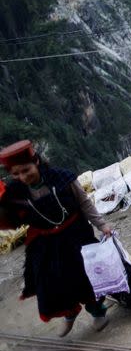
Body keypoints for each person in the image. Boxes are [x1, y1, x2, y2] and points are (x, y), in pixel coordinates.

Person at [0, 140, 113, 337]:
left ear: (37, 162)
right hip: (45, 243)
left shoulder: (63, 178)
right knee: (53, 283)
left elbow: (84, 203)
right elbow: (10, 219)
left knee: (85, 278)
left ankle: (97, 312)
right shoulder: (15, 193)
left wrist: (102, 225)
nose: (23, 177)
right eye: (16, 174)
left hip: (75, 235)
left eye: (26, 170)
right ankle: (69, 314)